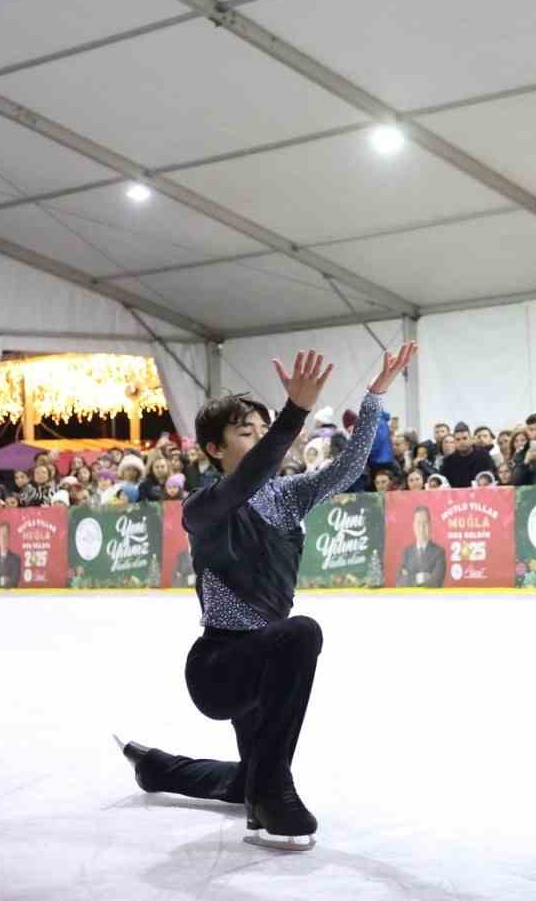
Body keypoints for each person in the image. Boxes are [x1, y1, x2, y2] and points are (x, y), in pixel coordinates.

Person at [115, 343, 415, 852]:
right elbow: (247, 479)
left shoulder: (289, 495)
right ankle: (271, 796)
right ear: (214, 448)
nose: (258, 438)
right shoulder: (204, 507)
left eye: (263, 428)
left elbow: (346, 469)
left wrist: (375, 398)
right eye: (244, 431)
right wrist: (294, 414)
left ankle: (159, 768)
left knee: (246, 776)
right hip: (220, 666)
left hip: (268, 662)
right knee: (302, 632)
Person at [395, 505, 445, 588]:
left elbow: (435, 582)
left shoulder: (439, 552)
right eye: (418, 523)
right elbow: (399, 582)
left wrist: (409, 577)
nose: (422, 528)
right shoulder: (407, 552)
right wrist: (419, 578)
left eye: (425, 523)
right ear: (413, 526)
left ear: (430, 525)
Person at [440, 422, 495, 488]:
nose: (462, 442)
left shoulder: (483, 456)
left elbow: (492, 478)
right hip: (456, 497)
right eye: (458, 439)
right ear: (454, 442)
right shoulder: (448, 461)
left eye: (465, 438)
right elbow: (442, 483)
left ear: (471, 439)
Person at [0, 521, 21, 588]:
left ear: (9, 538)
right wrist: (2, 580)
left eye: (5, 535)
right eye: (1, 535)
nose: (3, 538)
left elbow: (14, 582)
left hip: (9, 597)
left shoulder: (16, 559)